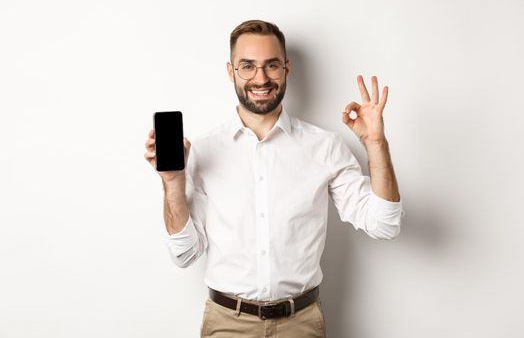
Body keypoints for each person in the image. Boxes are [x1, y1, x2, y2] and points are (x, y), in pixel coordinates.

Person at [144, 20, 404, 338]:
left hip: (302, 324)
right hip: (227, 325)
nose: (261, 78)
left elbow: (384, 225)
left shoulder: (325, 147)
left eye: (271, 65)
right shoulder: (203, 151)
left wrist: (376, 144)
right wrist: (172, 181)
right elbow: (185, 254)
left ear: (286, 68)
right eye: (248, 66)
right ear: (231, 72)